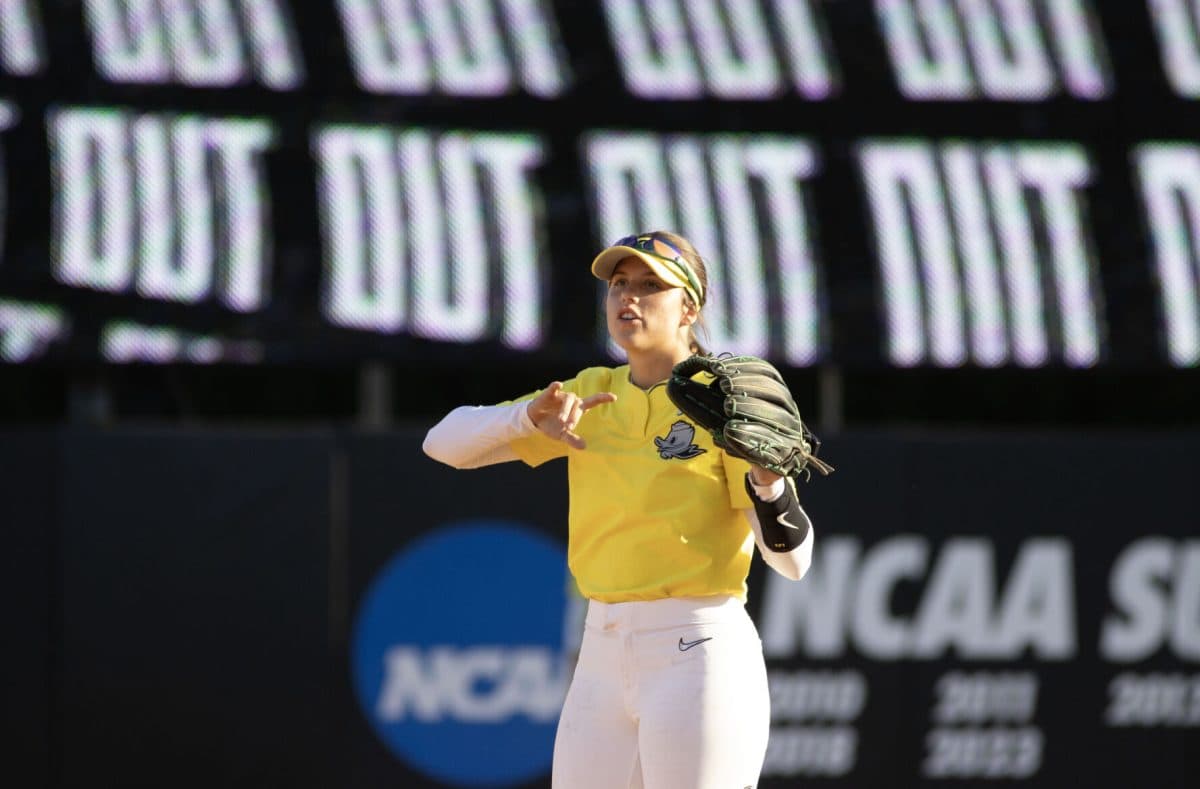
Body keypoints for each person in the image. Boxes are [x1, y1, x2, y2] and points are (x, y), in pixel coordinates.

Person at [423, 231, 817, 789]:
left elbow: (794, 563)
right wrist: (528, 419)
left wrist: (768, 483)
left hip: (699, 651)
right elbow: (443, 444)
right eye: (619, 285)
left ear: (690, 308)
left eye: (651, 285)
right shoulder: (588, 394)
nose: (628, 297)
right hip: (602, 653)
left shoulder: (722, 401)